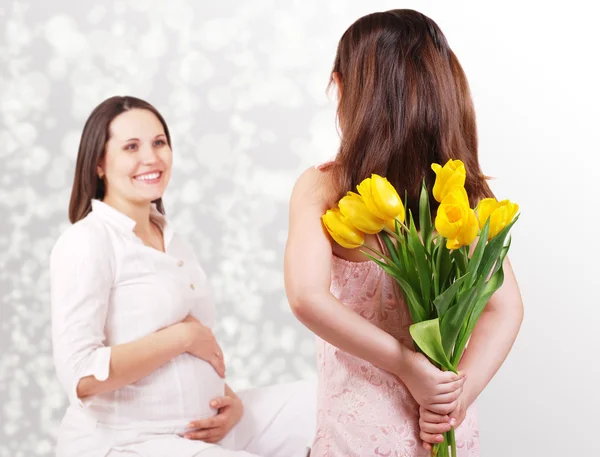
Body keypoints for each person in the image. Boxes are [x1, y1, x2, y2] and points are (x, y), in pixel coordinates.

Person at [284, 9, 524, 457]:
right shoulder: (462, 191)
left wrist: (404, 365)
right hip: (442, 428)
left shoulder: (324, 186)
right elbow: (505, 308)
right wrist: (454, 398)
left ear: (342, 87)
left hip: (356, 433)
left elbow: (306, 297)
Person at [50, 95, 315, 457]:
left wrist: (230, 400)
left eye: (159, 142)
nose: (151, 158)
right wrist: (184, 336)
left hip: (205, 427)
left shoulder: (170, 238)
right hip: (129, 440)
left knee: (328, 398)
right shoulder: (87, 241)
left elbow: (188, 357)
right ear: (99, 163)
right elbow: (81, 376)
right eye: (131, 147)